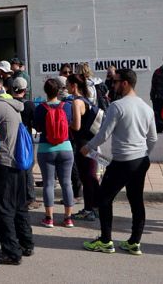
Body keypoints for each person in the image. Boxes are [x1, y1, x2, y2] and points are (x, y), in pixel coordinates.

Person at [82, 69, 157, 256]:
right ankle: (134, 242)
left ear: (125, 83)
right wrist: (143, 152)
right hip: (140, 160)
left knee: (103, 199)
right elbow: (153, 138)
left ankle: (106, 241)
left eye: (115, 82)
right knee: (136, 200)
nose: (112, 85)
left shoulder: (117, 106)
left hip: (123, 161)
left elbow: (104, 134)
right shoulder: (147, 107)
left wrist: (87, 147)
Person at [0, 71, 33, 265]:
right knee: (19, 207)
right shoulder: (13, 104)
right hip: (17, 162)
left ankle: (11, 251)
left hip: (3, 163)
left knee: (2, 209)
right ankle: (26, 244)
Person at [33, 77, 75, 228]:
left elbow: (37, 128)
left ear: (45, 91)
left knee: (49, 184)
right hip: (65, 148)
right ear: (58, 91)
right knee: (66, 183)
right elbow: (70, 123)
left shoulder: (40, 108)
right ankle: (68, 218)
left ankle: (49, 218)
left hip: (46, 148)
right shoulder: (67, 106)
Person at [67, 74, 100, 221]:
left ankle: (90, 209)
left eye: (68, 84)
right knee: (90, 177)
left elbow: (77, 125)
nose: (66, 87)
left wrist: (66, 123)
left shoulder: (76, 102)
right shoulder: (87, 100)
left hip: (82, 144)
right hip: (91, 142)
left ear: (74, 86)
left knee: (87, 177)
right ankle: (93, 208)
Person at [9, 77, 40, 210]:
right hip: (26, 139)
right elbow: (36, 124)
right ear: (25, 90)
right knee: (27, 167)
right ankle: (30, 198)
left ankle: (15, 196)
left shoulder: (8, 103)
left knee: (13, 167)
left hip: (10, 138)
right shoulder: (29, 105)